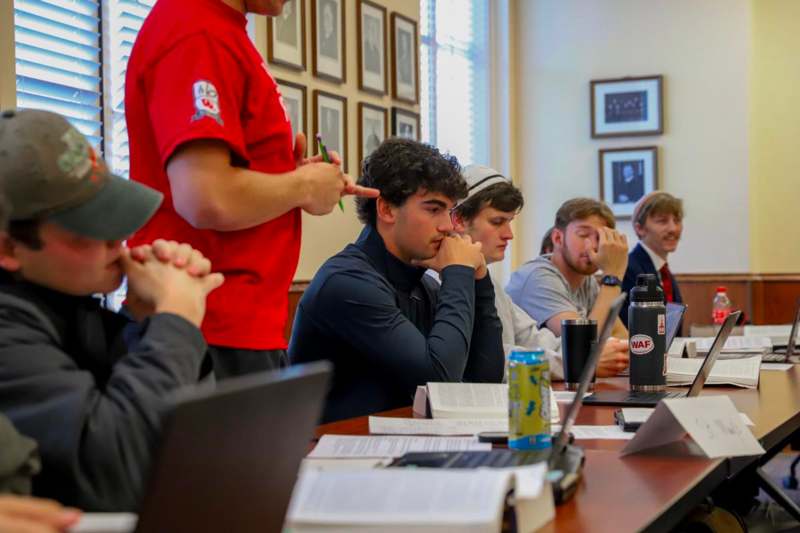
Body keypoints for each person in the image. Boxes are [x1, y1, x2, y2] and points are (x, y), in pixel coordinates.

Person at [125, 0, 378, 379]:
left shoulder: (224, 32)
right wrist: (303, 185)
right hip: (209, 326)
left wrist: (290, 177)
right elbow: (205, 196)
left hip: (237, 326)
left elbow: (223, 179)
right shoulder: (197, 29)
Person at [0, 109, 223, 510]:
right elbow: (117, 477)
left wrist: (147, 322)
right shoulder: (9, 332)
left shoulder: (68, 303)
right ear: (9, 248)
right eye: (88, 227)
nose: (118, 239)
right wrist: (175, 320)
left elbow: (192, 445)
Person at [289, 139, 504, 422]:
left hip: (393, 442)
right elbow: (439, 381)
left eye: (449, 211)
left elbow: (485, 384)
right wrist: (459, 272)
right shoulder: (346, 283)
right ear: (387, 210)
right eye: (433, 209)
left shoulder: (423, 285)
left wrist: (480, 280)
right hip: (330, 445)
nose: (448, 226)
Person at [451, 166, 629, 379]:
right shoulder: (443, 280)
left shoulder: (489, 283)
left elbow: (535, 340)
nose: (509, 235)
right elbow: (488, 360)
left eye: (509, 222)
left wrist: (602, 354)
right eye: (497, 222)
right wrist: (580, 362)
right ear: (459, 220)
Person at [507, 198, 629, 349]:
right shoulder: (537, 277)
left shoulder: (587, 281)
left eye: (600, 238)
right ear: (558, 238)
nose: (594, 245)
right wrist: (612, 275)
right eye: (583, 235)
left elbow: (620, 334)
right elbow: (582, 345)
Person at [621, 191, 684, 327]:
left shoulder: (662, 269)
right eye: (662, 221)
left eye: (677, 221)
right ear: (640, 228)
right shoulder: (629, 269)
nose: (673, 229)